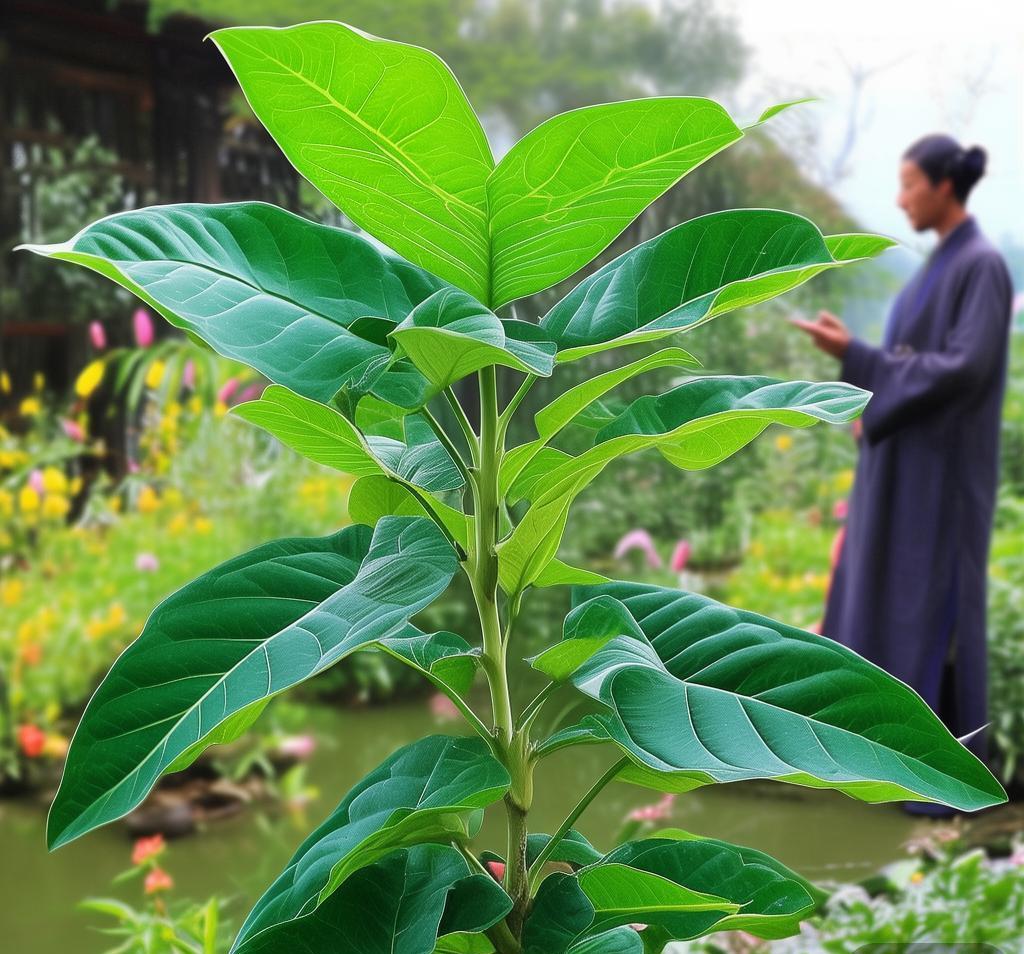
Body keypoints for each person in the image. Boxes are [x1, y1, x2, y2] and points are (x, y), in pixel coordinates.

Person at [792, 135, 1014, 815]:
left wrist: (859, 356)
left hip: (941, 480)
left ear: (946, 186)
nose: (900, 198)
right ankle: (883, 760)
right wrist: (863, 367)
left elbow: (964, 367)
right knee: (892, 596)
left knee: (932, 606)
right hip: (904, 469)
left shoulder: (981, 266)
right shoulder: (939, 265)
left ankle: (944, 779)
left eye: (910, 183)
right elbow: (916, 361)